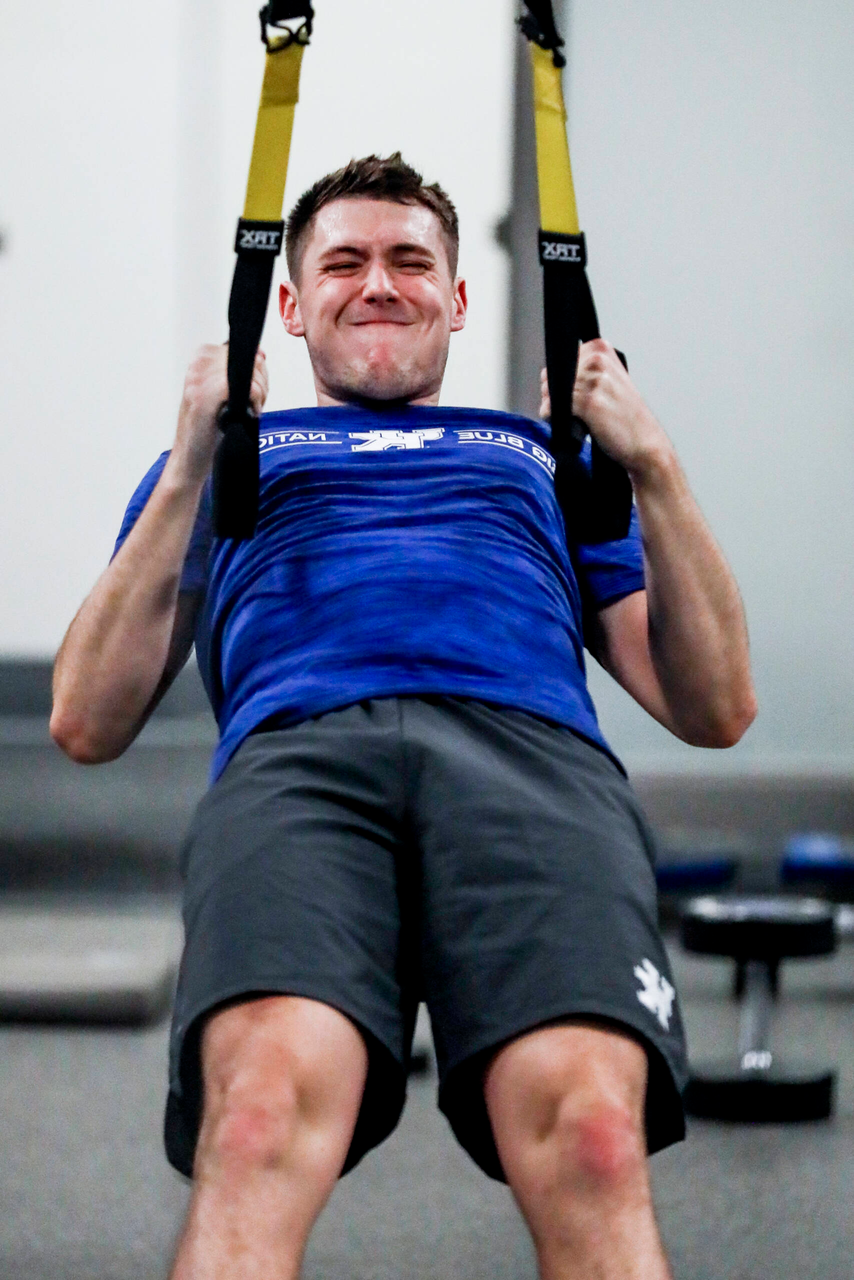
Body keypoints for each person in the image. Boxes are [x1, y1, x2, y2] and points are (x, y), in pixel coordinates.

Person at [51, 153, 756, 1280]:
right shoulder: (233, 457)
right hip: (301, 758)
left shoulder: (537, 458)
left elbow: (715, 708)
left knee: (591, 1133)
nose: (377, 283)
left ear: (456, 299)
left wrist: (654, 464)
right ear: (291, 308)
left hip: (529, 756)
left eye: (408, 261)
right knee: (256, 1120)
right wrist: (187, 468)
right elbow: (86, 720)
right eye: (343, 263)